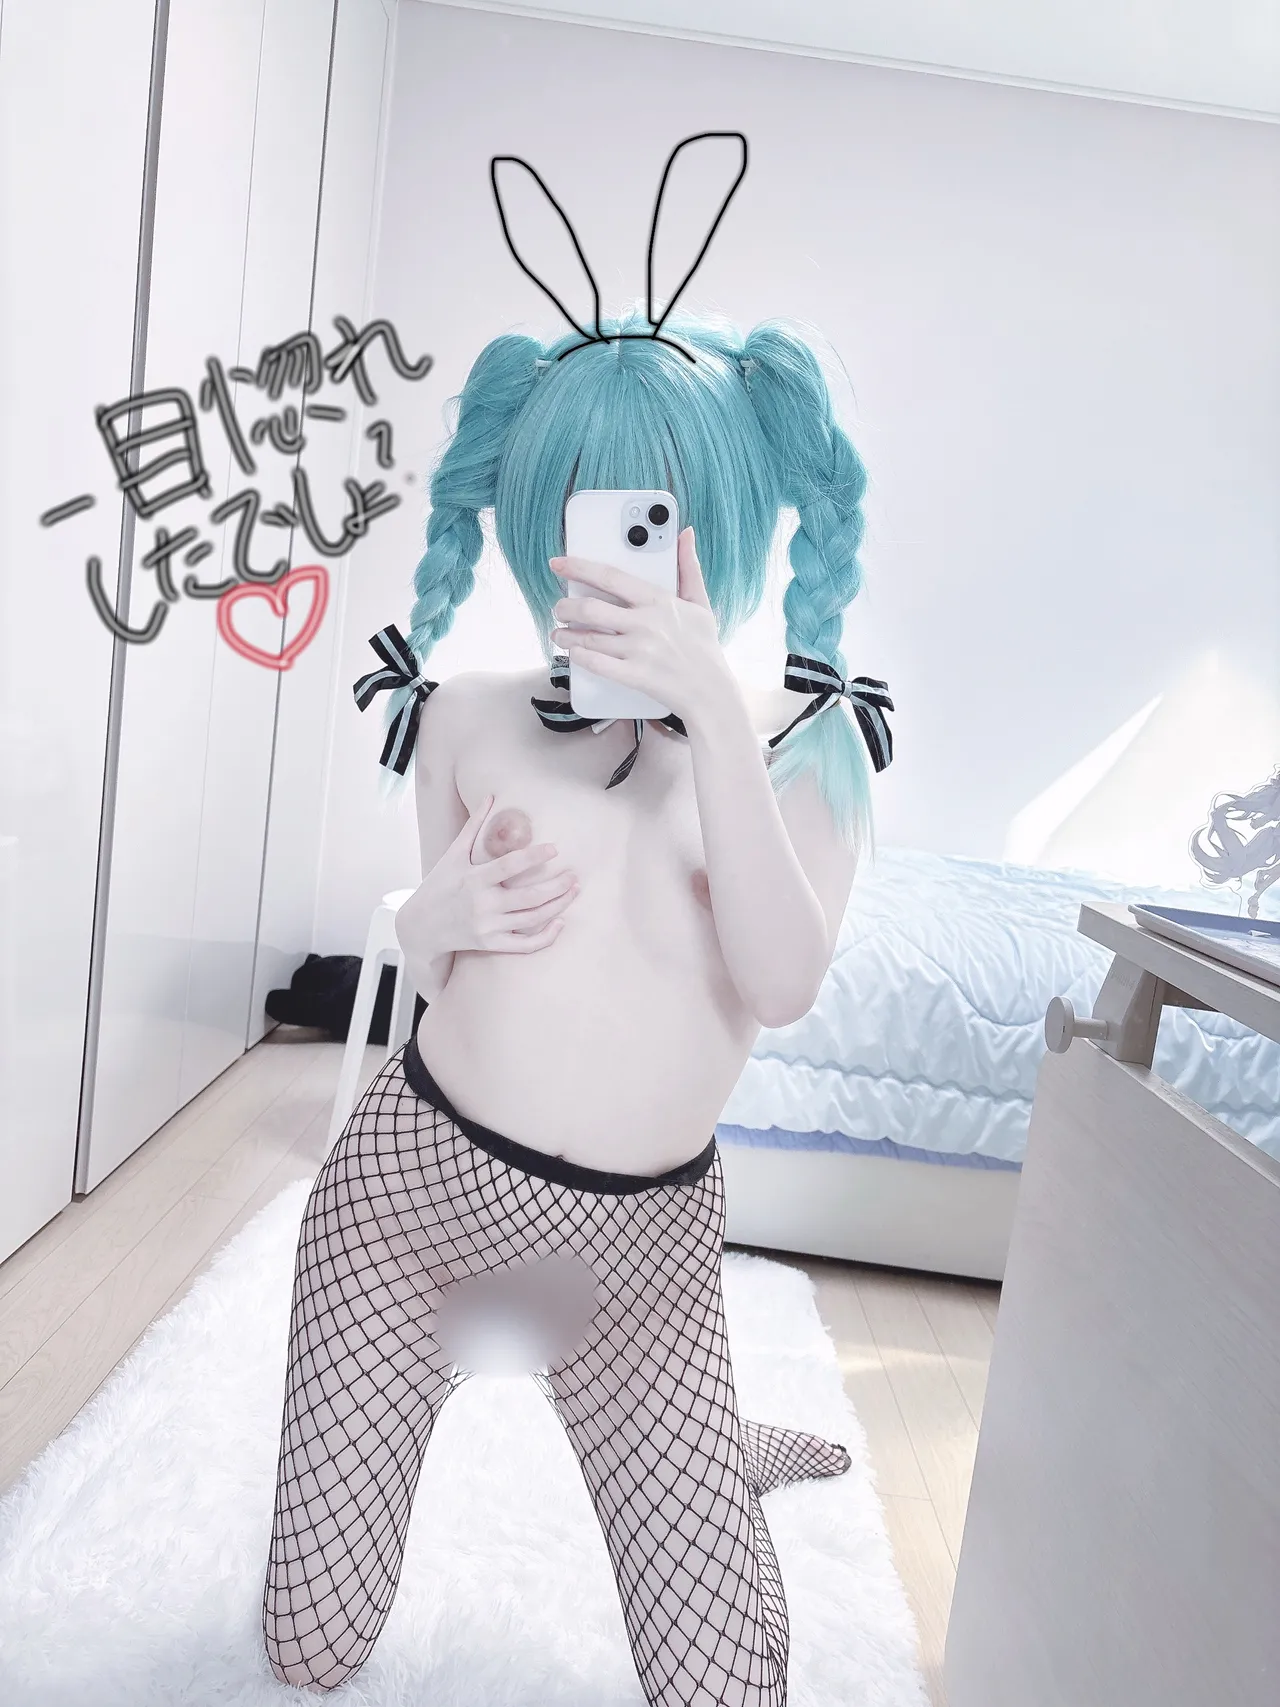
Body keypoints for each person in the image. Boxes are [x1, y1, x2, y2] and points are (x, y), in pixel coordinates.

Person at [261, 312, 892, 1707]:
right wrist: (434, 921)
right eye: (579, 517)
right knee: (308, 1646)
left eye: (649, 524)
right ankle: (522, 1418)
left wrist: (713, 715)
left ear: (728, 521)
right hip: (406, 1209)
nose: (608, 565)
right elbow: (435, 972)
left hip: (639, 1267)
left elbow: (781, 985)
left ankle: (712, 1448)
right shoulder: (465, 713)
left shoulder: (811, 746)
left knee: (726, 1691)